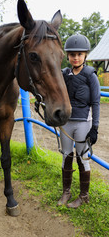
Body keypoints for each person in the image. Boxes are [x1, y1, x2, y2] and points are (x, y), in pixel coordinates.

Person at [57, 34, 100, 208]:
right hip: (66, 123)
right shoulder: (64, 74)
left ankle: (84, 195)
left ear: (85, 56)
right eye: (72, 54)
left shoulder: (91, 76)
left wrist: (95, 127)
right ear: (67, 56)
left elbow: (96, 103)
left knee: (82, 158)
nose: (76, 58)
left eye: (79, 54)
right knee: (66, 157)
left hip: (83, 123)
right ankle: (66, 192)